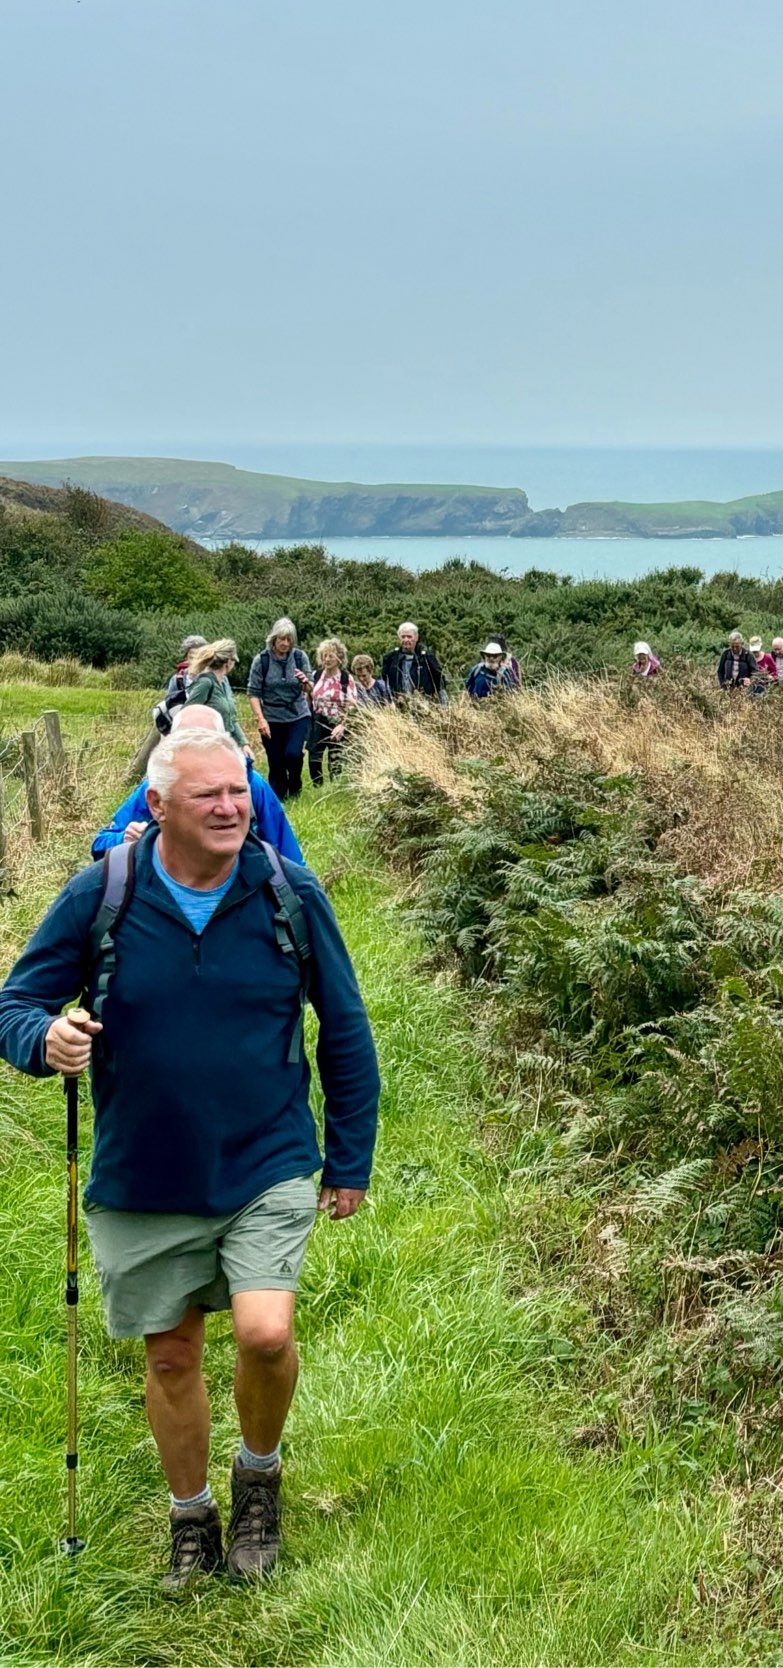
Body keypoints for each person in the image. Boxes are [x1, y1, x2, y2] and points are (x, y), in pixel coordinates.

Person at [0, 726, 379, 1590]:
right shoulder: (105, 893)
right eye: (209, 795)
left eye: (240, 792)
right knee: (170, 1354)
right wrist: (43, 1038)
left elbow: (346, 1029)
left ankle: (259, 1476)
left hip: (268, 1154)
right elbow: (15, 1001)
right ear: (158, 807)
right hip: (143, 1167)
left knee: (265, 1330)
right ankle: (190, 1517)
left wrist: (348, 1159)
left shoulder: (288, 891)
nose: (231, 807)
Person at [93, 706, 304, 864]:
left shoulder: (250, 784)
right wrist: (124, 839)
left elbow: (289, 858)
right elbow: (100, 845)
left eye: (208, 742)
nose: (226, 807)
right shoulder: (158, 786)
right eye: (187, 742)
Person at [247, 618, 313, 802]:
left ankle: (295, 786)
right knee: (276, 762)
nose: (285, 643)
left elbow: (310, 690)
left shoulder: (300, 657)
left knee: (292, 754)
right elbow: (253, 693)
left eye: (289, 639)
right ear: (273, 639)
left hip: (297, 714)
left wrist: (305, 683)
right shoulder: (262, 661)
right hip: (271, 717)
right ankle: (279, 798)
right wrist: (261, 719)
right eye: (281, 639)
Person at [182, 640, 251, 752]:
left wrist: (244, 744)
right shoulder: (205, 683)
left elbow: (231, 720)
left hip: (225, 746)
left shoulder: (224, 681)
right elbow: (186, 715)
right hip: (206, 749)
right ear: (228, 662)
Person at [306, 639, 357, 787]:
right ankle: (317, 787)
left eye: (330, 656)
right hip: (317, 720)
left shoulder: (346, 678)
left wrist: (343, 725)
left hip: (337, 722)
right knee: (314, 758)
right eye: (324, 656)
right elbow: (309, 699)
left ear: (339, 658)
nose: (326, 659)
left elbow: (352, 706)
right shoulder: (316, 675)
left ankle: (334, 790)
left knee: (335, 759)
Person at [380, 623, 445, 703]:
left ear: (416, 638)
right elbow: (384, 681)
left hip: (425, 704)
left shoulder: (426, 657)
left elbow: (440, 681)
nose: (406, 640)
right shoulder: (391, 658)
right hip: (398, 704)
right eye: (403, 636)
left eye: (409, 637)